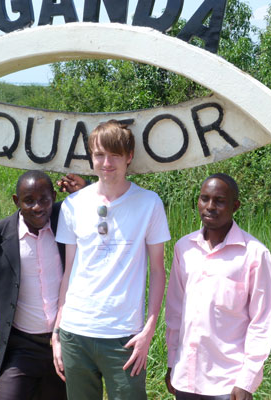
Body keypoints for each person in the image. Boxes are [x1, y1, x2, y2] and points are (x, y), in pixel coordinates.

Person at [52, 120, 171, 400]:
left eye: (115, 155)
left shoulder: (149, 203)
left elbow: (158, 271)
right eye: (99, 155)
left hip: (125, 336)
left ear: (129, 157)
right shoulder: (72, 205)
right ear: (91, 157)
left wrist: (148, 331)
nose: (106, 163)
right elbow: (68, 272)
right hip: (75, 332)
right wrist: (57, 331)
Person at [0, 170, 84, 400]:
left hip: (63, 343)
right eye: (29, 201)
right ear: (16, 201)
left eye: (44, 199)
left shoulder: (65, 219)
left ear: (54, 196)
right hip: (21, 346)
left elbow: (99, 205)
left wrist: (84, 187)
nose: (38, 207)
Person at [165, 173, 271, 400]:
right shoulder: (184, 248)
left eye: (220, 201)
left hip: (228, 383)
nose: (210, 207)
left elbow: (261, 322)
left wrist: (247, 381)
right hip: (186, 377)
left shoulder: (254, 254)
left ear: (235, 206)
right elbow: (175, 312)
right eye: (204, 198)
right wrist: (172, 362)